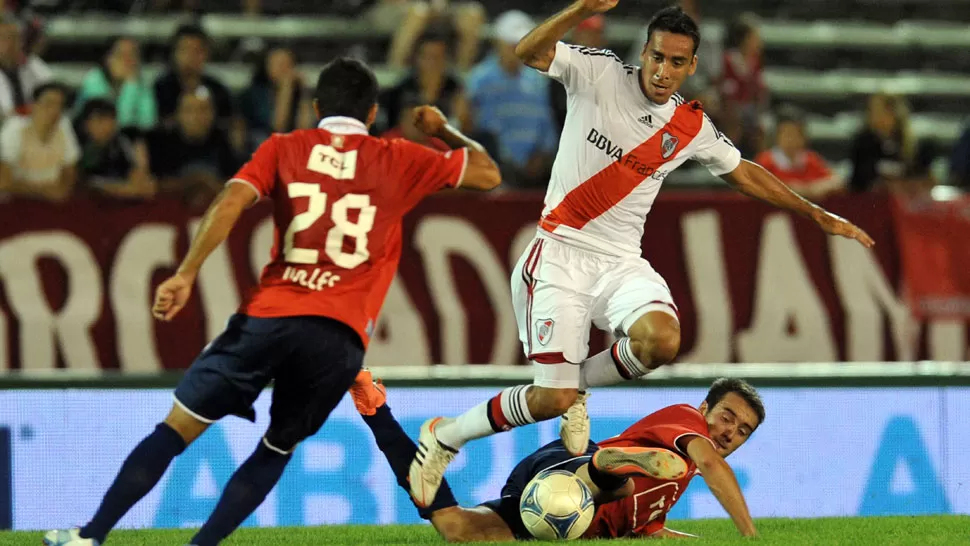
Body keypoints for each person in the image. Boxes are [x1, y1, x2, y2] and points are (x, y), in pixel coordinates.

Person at [409, 0, 874, 509]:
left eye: (677, 62)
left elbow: (741, 170)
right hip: (561, 251)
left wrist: (815, 213)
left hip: (620, 261)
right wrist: (581, 7)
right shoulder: (599, 72)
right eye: (657, 57)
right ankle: (447, 434)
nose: (663, 70)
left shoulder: (689, 125)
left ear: (692, 66)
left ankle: (575, 384)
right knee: (550, 400)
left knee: (661, 341)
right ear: (643, 52)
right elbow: (528, 51)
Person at [43, 57, 501, 546]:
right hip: (339, 337)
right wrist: (444, 129)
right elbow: (489, 175)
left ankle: (89, 537)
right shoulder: (400, 156)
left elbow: (231, 200)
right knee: (275, 447)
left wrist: (185, 272)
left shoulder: (285, 147)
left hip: (270, 315)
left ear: (316, 106)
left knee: (176, 430)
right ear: (371, 113)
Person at [354, 371, 761, 540]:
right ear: (705, 408)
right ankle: (608, 467)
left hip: (553, 511)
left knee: (454, 527)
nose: (730, 432)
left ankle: (373, 408)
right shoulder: (685, 418)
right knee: (619, 485)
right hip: (569, 468)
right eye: (727, 417)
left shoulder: (674, 481)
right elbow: (709, 463)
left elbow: (649, 531)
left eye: (743, 431)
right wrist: (750, 536)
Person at [754, 105, 843, 200]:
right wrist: (793, 188)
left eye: (796, 134)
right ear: (777, 136)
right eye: (787, 134)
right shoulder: (765, 160)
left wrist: (815, 188)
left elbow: (837, 181)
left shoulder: (810, 159)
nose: (792, 140)